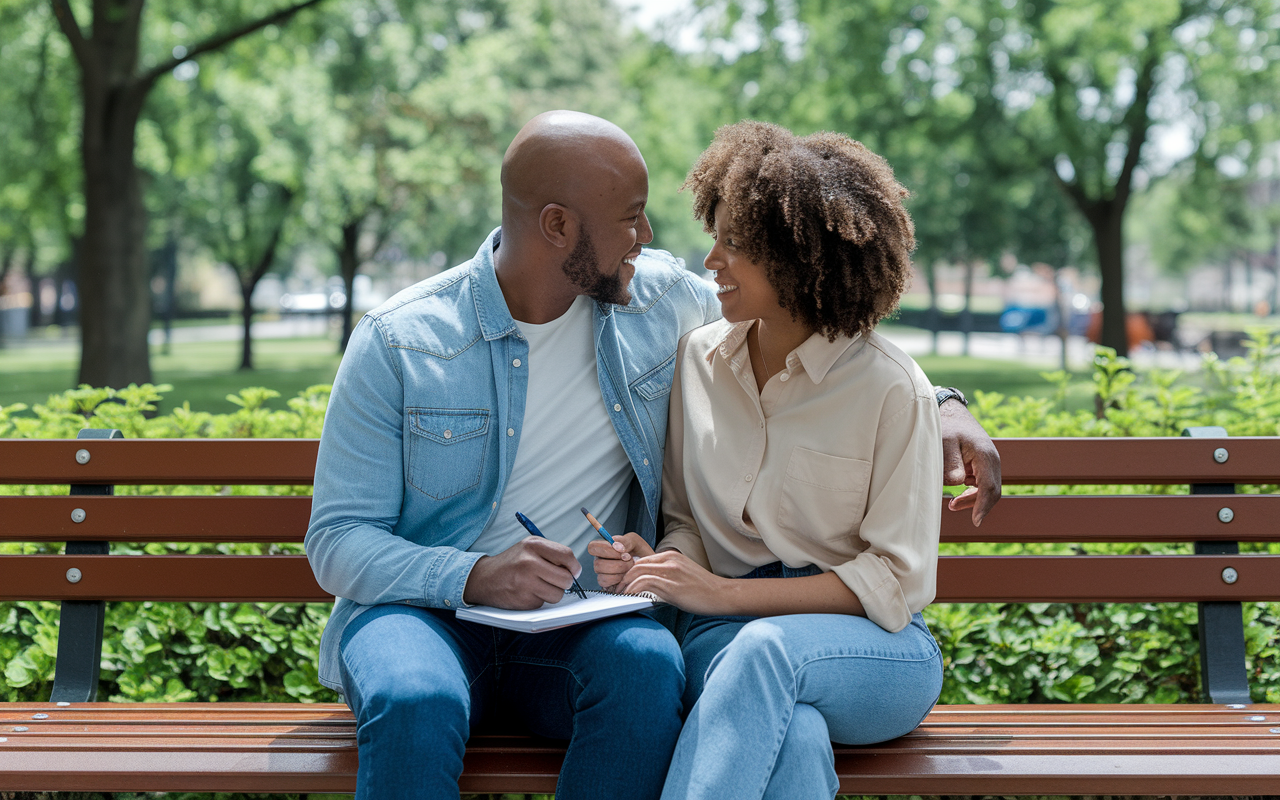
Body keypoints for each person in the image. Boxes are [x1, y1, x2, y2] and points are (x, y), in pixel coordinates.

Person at [307, 111, 999, 800]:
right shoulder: (401, 341)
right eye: (631, 217)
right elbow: (337, 539)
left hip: (574, 625)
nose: (650, 238)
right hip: (421, 614)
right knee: (414, 698)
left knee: (645, 666)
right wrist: (474, 575)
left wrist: (942, 402)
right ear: (558, 226)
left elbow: (810, 315)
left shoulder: (660, 303)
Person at [592, 121, 957, 800]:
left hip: (873, 652)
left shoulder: (889, 387)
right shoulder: (697, 362)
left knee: (767, 651)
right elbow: (688, 522)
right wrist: (663, 564)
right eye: (715, 238)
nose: (711, 262)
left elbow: (893, 582)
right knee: (796, 740)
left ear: (796, 257)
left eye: (735, 245)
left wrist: (728, 596)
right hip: (725, 643)